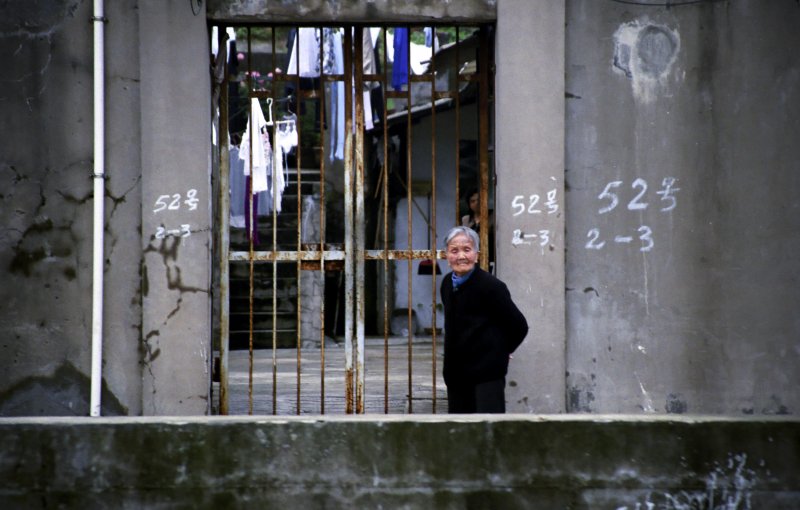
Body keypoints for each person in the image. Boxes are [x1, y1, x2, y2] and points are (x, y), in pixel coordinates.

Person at [440, 226, 528, 413]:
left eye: (467, 250)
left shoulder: (491, 286)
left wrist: (505, 350)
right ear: (446, 256)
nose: (461, 256)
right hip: (456, 374)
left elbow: (519, 325)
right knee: (460, 431)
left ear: (477, 254)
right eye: (454, 251)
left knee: (488, 431)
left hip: (487, 375)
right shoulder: (447, 284)